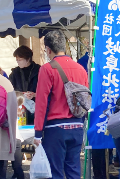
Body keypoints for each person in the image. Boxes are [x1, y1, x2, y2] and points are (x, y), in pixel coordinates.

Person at [33, 30, 88, 179]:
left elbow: (42, 102)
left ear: (48, 49)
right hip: (77, 127)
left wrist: (38, 132)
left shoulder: (47, 69)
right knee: (73, 170)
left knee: (55, 172)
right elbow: (84, 100)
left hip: (55, 129)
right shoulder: (81, 69)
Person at [9, 45, 40, 125]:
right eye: (17, 60)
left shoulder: (39, 71)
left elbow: (46, 91)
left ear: (28, 59)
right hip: (20, 109)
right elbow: (9, 90)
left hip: (37, 109)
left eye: (20, 59)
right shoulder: (15, 73)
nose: (18, 62)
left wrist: (34, 95)